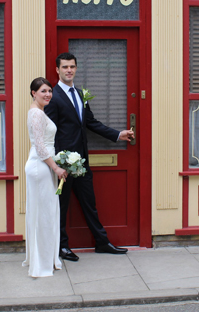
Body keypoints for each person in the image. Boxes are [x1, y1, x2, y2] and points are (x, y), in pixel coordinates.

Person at [45, 52, 134, 262]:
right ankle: (61, 246)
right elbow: (49, 131)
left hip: (82, 162)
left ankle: (102, 242)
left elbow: (90, 122)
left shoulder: (81, 93)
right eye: (65, 67)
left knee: (89, 203)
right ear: (57, 70)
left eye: (72, 67)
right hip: (63, 163)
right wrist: (57, 162)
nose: (69, 70)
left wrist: (117, 134)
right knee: (62, 205)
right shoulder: (53, 96)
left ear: (76, 68)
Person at [23, 77, 68, 277]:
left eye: (49, 90)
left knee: (45, 213)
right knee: (43, 215)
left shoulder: (40, 112)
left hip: (42, 165)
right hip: (40, 167)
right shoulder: (36, 114)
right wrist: (56, 168)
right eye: (43, 91)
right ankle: (40, 264)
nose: (48, 94)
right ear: (33, 93)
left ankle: (44, 259)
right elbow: (40, 146)